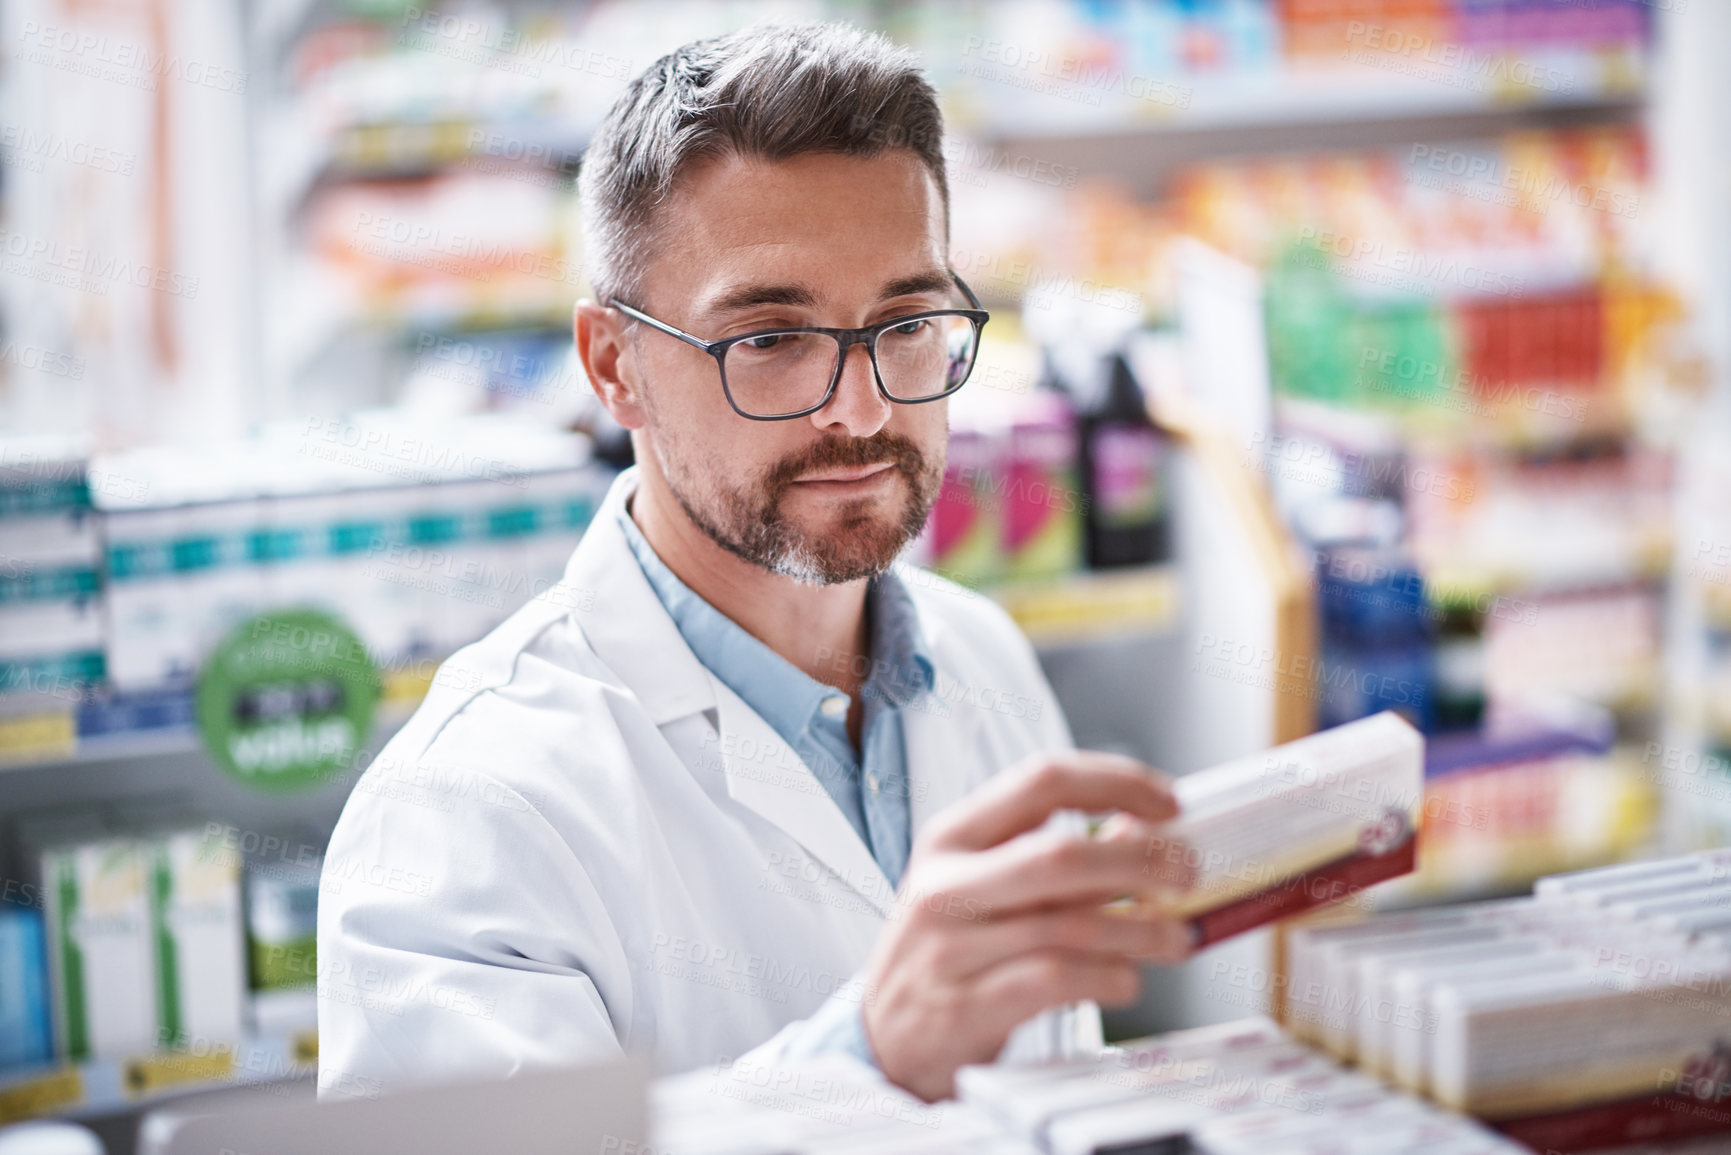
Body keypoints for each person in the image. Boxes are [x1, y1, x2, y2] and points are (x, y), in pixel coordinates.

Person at [317, 21, 1194, 1105]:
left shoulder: (985, 664)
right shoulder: (466, 813)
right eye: (771, 339)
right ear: (613, 365)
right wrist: (867, 1062)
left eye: (908, 321)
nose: (863, 408)